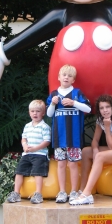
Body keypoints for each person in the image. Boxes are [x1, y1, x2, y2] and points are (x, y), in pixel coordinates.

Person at [47, 64, 91, 203]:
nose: (66, 77)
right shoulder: (54, 94)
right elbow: (49, 114)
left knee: (72, 165)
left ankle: (73, 191)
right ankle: (62, 192)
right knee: (61, 164)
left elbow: (88, 109)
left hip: (74, 138)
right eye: (64, 75)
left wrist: (74, 103)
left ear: (73, 80)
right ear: (59, 77)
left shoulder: (77, 93)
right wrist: (53, 104)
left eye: (70, 75)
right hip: (59, 138)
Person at [6, 100, 51, 204]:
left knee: (37, 172)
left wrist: (36, 148)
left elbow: (47, 141)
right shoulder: (27, 126)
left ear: (43, 113)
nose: (35, 113)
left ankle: (38, 194)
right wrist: (25, 146)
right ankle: (16, 193)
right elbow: (24, 138)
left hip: (40, 154)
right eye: (32, 111)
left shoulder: (45, 127)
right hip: (27, 154)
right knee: (19, 171)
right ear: (29, 112)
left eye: (38, 111)